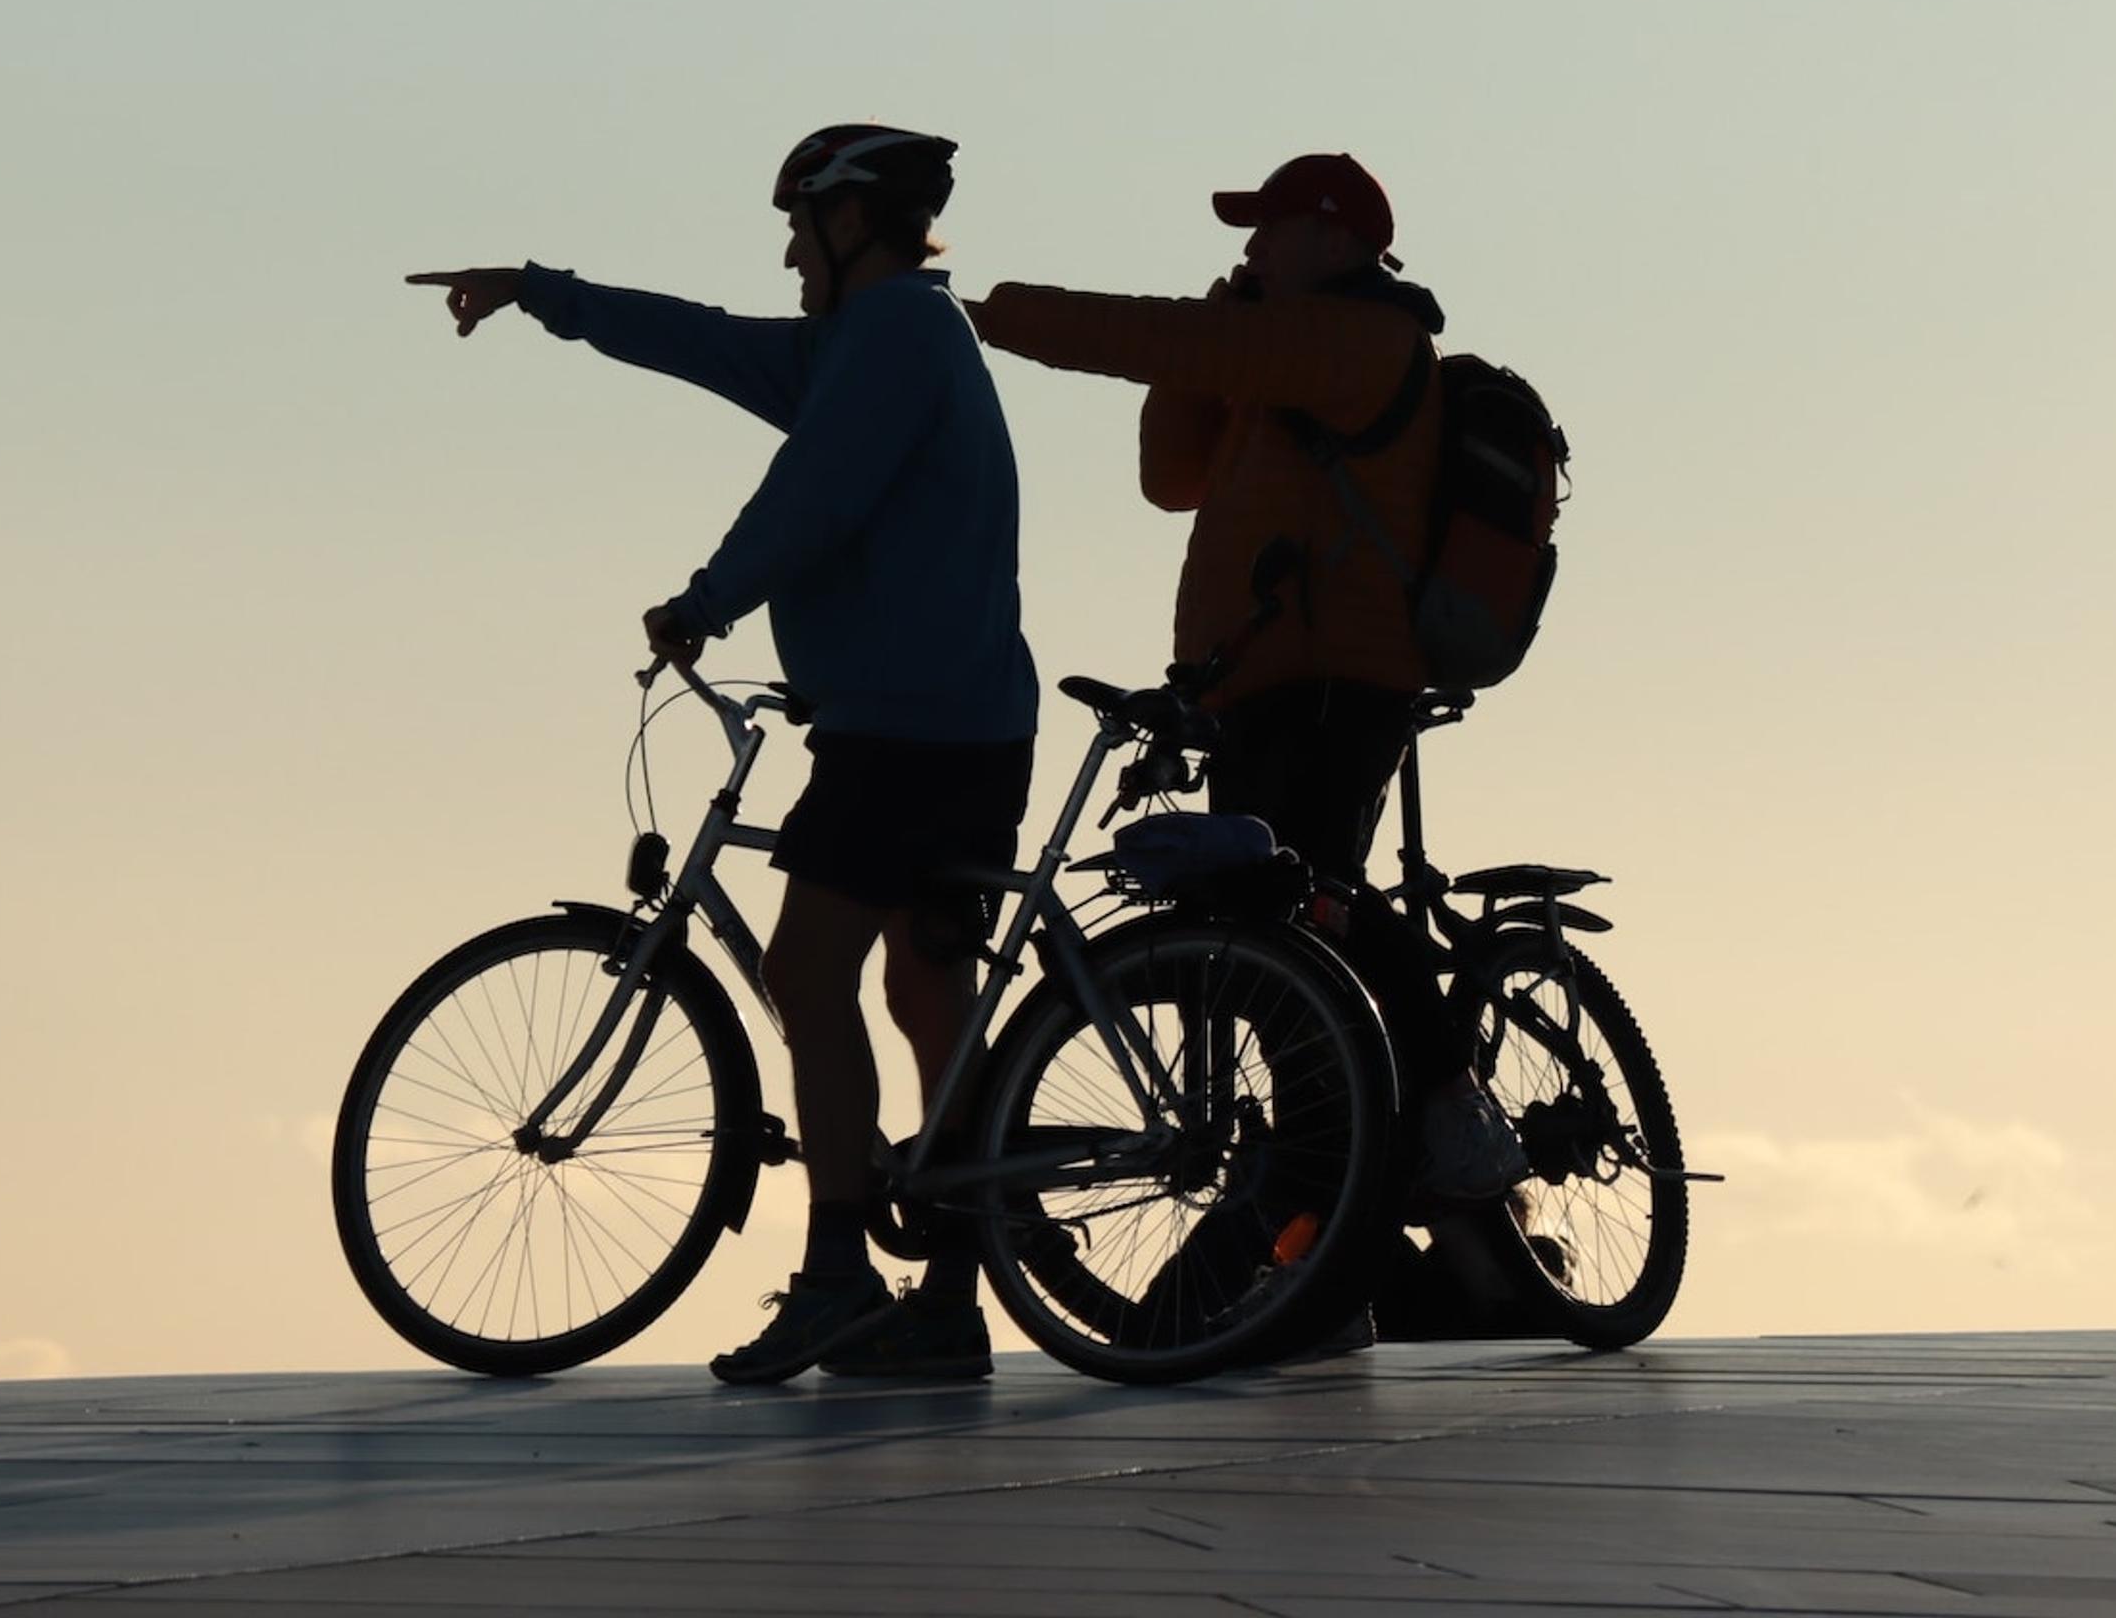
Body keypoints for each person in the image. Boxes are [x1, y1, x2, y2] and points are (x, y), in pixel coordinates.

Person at [405, 125, 1031, 1384]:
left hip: (908, 727)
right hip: (950, 718)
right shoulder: (869, 342)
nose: (791, 254)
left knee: (810, 976)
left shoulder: (896, 337)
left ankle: (841, 1276)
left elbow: (821, 491)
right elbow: (700, 339)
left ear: (852, 224)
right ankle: (947, 1301)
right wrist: (546, 296)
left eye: (800, 229)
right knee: (923, 995)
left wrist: (706, 601)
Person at [972, 152, 1525, 1200]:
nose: (1250, 248)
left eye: (1267, 229)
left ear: (1332, 237)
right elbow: (1169, 477)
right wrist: (1211, 349)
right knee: (1269, 950)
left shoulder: (1361, 340)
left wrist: (994, 314)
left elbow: (1158, 336)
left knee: (1309, 915)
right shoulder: (1273, 357)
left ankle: (1444, 1105)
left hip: (1334, 683)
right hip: (1248, 691)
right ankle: (1322, 1201)